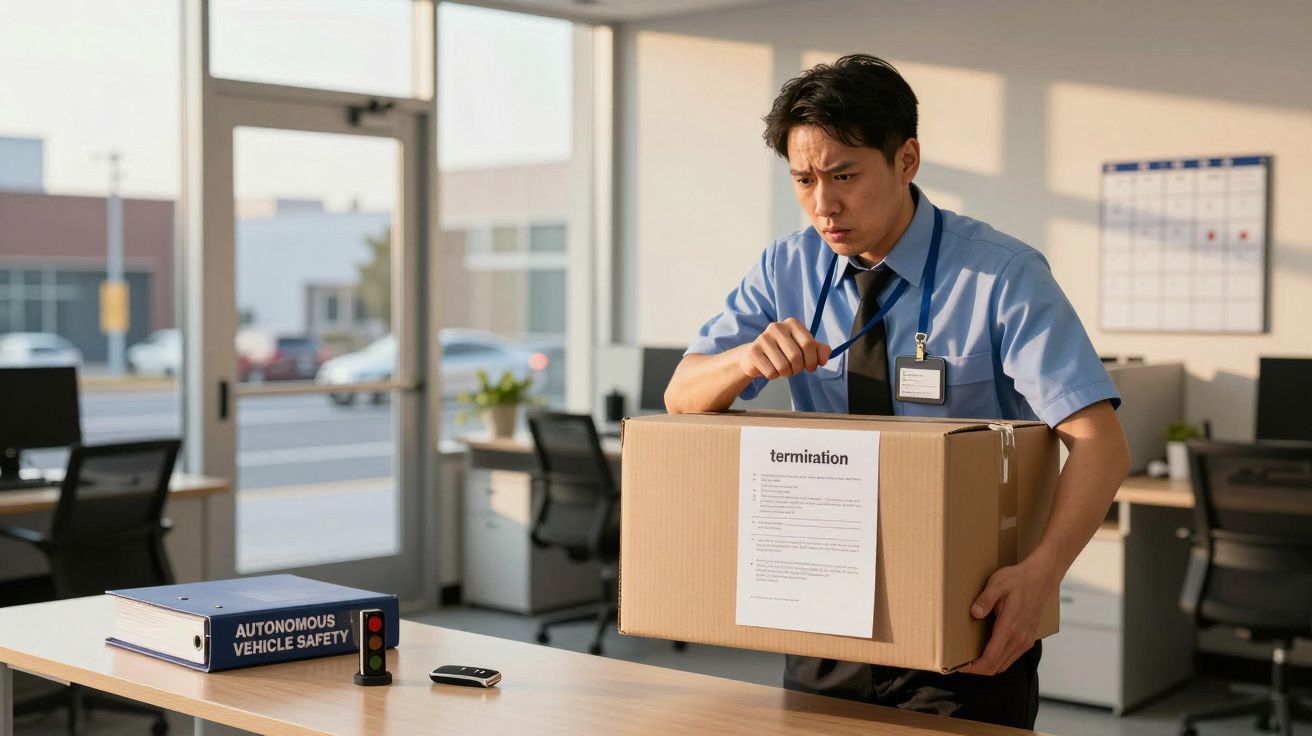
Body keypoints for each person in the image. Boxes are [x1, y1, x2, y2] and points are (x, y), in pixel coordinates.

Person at [663, 54, 1131, 730]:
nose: (824, 203)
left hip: (961, 618)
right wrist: (744, 358)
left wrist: (1042, 573)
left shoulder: (1002, 276)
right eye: (804, 180)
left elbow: (1100, 444)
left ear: (907, 159)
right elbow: (682, 396)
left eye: (844, 175)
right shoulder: (785, 267)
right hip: (818, 605)